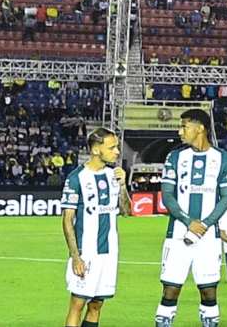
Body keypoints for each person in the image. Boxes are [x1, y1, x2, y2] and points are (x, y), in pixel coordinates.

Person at [154, 109, 227, 327]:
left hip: (208, 238)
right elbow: (168, 195)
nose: (180, 131)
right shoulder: (175, 157)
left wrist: (205, 224)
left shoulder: (224, 158)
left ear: (200, 128)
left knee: (209, 291)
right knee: (170, 289)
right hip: (178, 235)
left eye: (184, 126)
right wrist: (189, 221)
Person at [61, 127, 131, 327]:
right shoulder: (76, 178)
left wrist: (123, 186)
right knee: (78, 303)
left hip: (109, 253)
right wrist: (75, 256)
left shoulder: (114, 175)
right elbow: (67, 220)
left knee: (96, 305)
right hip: (87, 252)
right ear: (95, 150)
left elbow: (126, 211)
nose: (117, 152)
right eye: (112, 147)